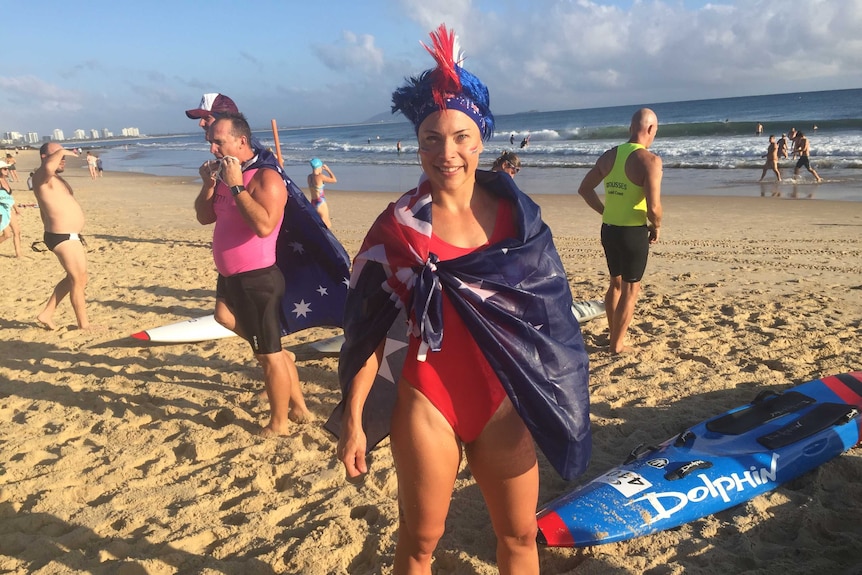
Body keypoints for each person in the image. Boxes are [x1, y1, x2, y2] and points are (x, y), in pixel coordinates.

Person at [334, 25, 590, 574]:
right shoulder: (398, 228)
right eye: (431, 138)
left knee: (520, 536)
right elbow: (368, 331)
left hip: (503, 397)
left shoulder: (520, 224)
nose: (446, 153)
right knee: (421, 541)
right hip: (428, 399)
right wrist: (354, 418)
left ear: (481, 140)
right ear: (417, 143)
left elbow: (552, 319)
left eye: (460, 137)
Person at [185, 93, 313, 425]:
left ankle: (280, 423)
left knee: (267, 356)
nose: (212, 148)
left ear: (241, 141)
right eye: (210, 142)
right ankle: (292, 390)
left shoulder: (265, 177)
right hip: (230, 276)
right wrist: (209, 185)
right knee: (225, 318)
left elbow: (264, 225)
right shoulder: (228, 173)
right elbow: (204, 218)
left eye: (218, 142)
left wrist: (238, 187)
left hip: (258, 279)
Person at [577, 108, 663, 355]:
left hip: (609, 229)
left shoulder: (608, 157)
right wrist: (656, 226)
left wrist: (605, 211)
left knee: (615, 284)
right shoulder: (650, 161)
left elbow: (585, 189)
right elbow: (654, 208)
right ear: (650, 129)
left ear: (630, 128)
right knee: (631, 289)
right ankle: (617, 344)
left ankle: (613, 336)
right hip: (632, 233)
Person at [32, 143, 92, 330]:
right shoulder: (42, 175)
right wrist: (61, 151)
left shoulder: (55, 179)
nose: (62, 159)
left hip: (67, 235)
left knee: (77, 278)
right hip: (62, 236)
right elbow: (49, 167)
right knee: (78, 279)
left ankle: (47, 313)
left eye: (64, 156)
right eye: (59, 156)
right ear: (44, 157)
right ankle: (84, 325)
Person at [306, 158, 336, 228]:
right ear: (319, 167)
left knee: (317, 224)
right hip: (320, 202)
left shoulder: (309, 177)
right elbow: (334, 180)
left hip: (313, 202)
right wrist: (328, 170)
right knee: (327, 224)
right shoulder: (320, 177)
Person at [0, 161, 22, 257]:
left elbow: (9, 197)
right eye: (5, 169)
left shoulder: (5, 180)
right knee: (7, 234)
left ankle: (19, 254)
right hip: (1, 210)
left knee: (17, 231)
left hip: (9, 208)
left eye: (7, 168)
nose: (7, 170)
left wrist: (15, 208)